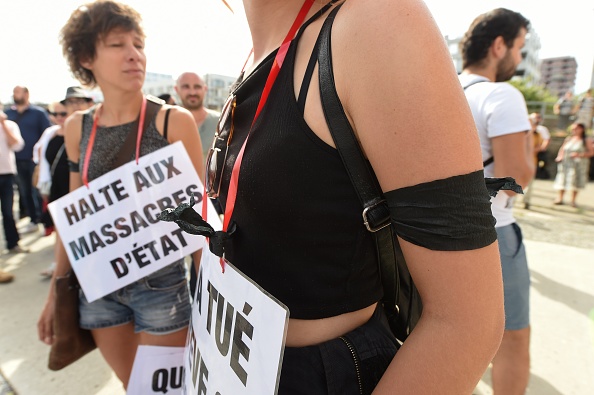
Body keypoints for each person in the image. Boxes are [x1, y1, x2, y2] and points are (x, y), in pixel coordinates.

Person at [203, 0, 504, 393]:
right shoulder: (258, 51)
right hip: (227, 363)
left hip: (317, 375)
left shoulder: (375, 21)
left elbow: (467, 322)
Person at [37, 1, 204, 388]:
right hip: (99, 290)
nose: (134, 55)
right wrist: (55, 292)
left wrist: (212, 289)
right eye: (117, 44)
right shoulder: (78, 128)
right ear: (86, 58)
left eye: (138, 44)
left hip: (162, 287)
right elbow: (75, 220)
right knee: (134, 387)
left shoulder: (171, 121)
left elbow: (197, 218)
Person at [459, 8, 534, 395]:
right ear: (499, 44)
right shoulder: (502, 94)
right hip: (494, 235)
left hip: (435, 231)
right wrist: (529, 147)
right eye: (520, 48)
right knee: (512, 339)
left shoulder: (444, 90)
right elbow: (515, 180)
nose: (519, 59)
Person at [5, 86, 52, 234]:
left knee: (38, 191)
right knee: (24, 192)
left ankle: (45, 220)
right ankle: (33, 219)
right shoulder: (8, 114)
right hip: (16, 160)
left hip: (35, 161)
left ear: (26, 94)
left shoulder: (38, 113)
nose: (15, 95)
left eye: (17, 92)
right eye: (13, 93)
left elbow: (47, 134)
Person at [0, 104, 29, 261]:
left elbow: (17, 145)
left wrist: (3, 125)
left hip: (7, 174)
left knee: (8, 212)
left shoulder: (10, 125)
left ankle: (13, 243)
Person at [175, 72, 220, 159]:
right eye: (186, 87)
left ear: (205, 89)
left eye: (197, 87)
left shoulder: (220, 122)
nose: (192, 92)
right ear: (176, 89)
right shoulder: (166, 123)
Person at [553, 123, 594, 207]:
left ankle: (573, 200)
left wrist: (579, 155)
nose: (573, 130)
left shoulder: (586, 140)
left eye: (576, 129)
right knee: (562, 179)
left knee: (575, 181)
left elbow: (591, 152)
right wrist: (560, 156)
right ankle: (560, 198)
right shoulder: (569, 138)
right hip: (566, 163)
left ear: (581, 129)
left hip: (579, 164)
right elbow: (562, 149)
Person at [529, 112, 551, 180]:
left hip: (537, 153)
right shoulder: (526, 129)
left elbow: (546, 140)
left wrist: (541, 149)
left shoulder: (541, 129)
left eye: (538, 117)